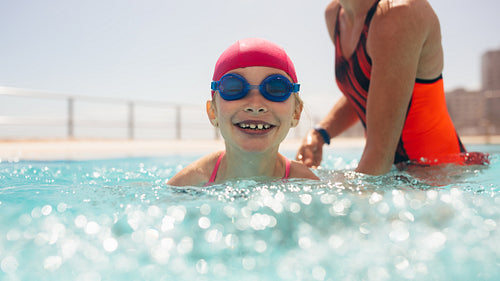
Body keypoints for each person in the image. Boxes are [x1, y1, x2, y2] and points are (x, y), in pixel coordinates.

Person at [296, 0, 488, 175]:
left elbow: (379, 155)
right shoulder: (335, 15)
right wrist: (320, 133)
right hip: (393, 173)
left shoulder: (398, 14)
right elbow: (370, 91)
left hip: (442, 176)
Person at [168, 38, 319, 186]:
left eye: (276, 89)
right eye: (234, 88)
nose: (255, 105)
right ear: (213, 113)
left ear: (295, 113)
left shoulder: (307, 184)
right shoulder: (187, 184)